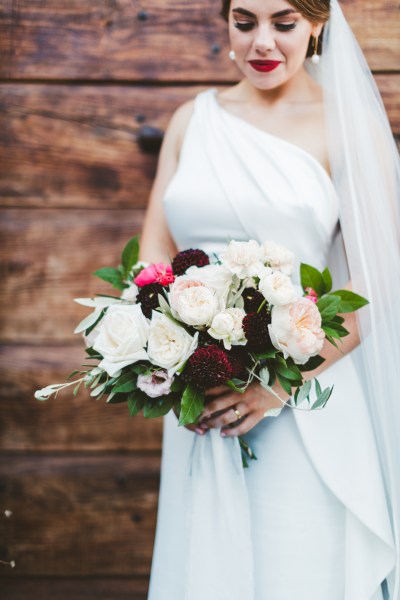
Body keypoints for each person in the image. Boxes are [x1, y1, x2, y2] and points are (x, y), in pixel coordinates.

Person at [139, 1, 400, 598]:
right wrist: (165, 348)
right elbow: (152, 256)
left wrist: (274, 387)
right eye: (244, 21)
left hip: (306, 398)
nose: (262, 42)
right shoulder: (191, 120)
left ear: (315, 26)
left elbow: (373, 286)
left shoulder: (344, 127)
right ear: (226, 22)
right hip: (199, 400)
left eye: (283, 24)